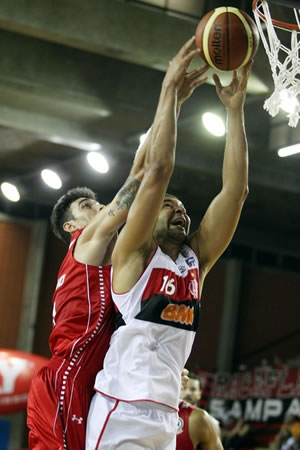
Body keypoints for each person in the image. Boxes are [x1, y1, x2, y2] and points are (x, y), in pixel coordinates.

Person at [26, 37, 209, 450]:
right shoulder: (87, 242)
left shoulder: (119, 256)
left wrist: (172, 104)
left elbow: (143, 169)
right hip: (68, 377)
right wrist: (169, 95)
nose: (101, 208)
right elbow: (145, 175)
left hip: (94, 376)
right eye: (89, 205)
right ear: (73, 227)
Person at [86, 37, 252, 448]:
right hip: (120, 408)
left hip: (166, 416)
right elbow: (156, 169)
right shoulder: (134, 254)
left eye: (183, 209)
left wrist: (235, 111)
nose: (180, 211)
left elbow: (236, 191)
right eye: (168, 206)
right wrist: (169, 94)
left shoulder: (196, 262)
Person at [177, 373, 223, 450]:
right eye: (184, 388)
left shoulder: (211, 422)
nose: (188, 393)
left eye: (193, 389)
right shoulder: (163, 414)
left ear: (200, 393)